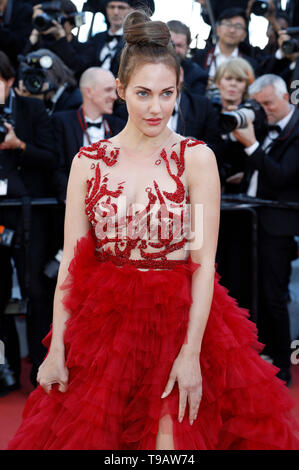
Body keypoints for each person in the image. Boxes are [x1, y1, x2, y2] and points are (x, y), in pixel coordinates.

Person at [7, 11, 299, 451]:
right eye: (143, 93)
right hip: (103, 326)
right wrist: (57, 347)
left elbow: (203, 265)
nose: (156, 108)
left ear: (179, 91)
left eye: (167, 93)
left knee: (170, 447)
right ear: (121, 90)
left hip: (180, 321)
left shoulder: (196, 158)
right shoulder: (88, 161)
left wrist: (190, 354)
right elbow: (71, 262)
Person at [232, 73, 299, 387]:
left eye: (268, 104)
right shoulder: (261, 125)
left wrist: (253, 147)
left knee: (273, 296)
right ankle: (255, 355)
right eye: (258, 105)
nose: (264, 111)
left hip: (278, 227)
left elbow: (283, 177)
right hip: (249, 221)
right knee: (247, 291)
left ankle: (283, 366)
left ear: (286, 97)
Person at [0, 51, 56, 393]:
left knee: (36, 291)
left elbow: (52, 158)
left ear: (9, 81)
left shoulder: (33, 111)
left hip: (29, 214)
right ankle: (3, 367)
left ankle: (41, 364)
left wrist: (18, 144)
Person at [51, 67, 126, 203]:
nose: (114, 96)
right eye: (108, 90)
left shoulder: (120, 126)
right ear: (89, 92)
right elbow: (57, 168)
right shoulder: (62, 122)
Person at [191, 8, 258, 91]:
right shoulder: (200, 56)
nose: (232, 30)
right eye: (228, 24)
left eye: (238, 26)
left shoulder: (251, 64)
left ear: (244, 35)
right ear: (217, 29)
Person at [167, 20, 208, 96]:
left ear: (187, 48)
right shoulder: (147, 66)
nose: (174, 49)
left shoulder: (197, 75)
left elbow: (196, 105)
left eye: (179, 45)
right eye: (171, 44)